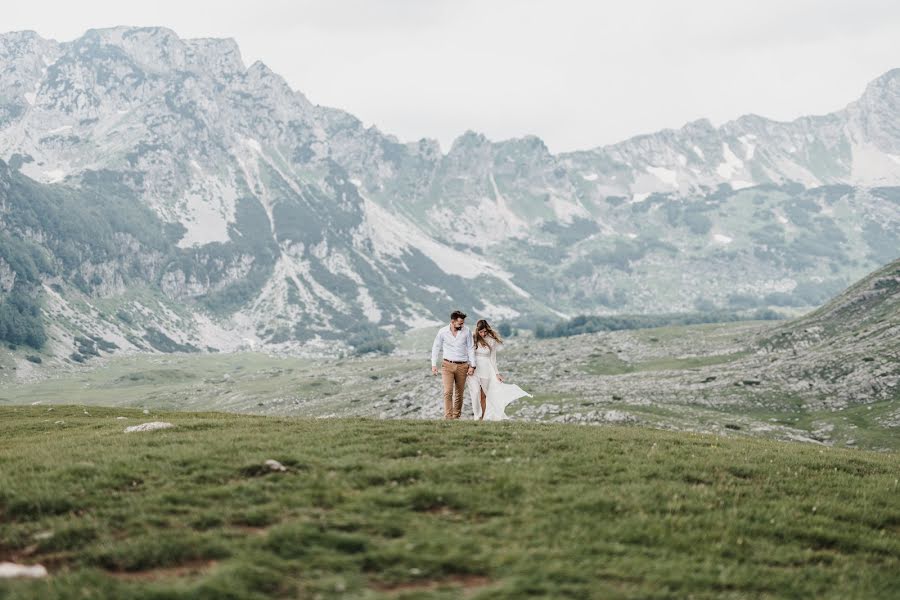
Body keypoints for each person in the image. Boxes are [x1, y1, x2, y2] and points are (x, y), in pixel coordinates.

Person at [469, 319, 531, 421]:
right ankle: (476, 415)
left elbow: (493, 358)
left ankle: (481, 418)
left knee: (483, 396)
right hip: (474, 368)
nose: (483, 334)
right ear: (477, 330)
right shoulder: (473, 337)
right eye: (480, 332)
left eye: (485, 331)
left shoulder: (491, 340)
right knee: (475, 393)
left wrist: (497, 373)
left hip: (486, 369)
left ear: (487, 329)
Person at [431, 310, 476, 419]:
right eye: (460, 323)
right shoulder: (442, 332)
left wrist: (472, 365)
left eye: (463, 323)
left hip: (463, 366)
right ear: (452, 321)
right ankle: (448, 417)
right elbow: (436, 347)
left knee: (459, 394)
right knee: (447, 392)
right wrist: (433, 364)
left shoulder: (467, 331)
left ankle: (456, 417)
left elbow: (470, 348)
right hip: (447, 365)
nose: (462, 325)